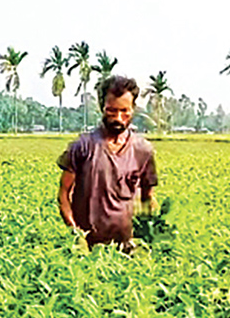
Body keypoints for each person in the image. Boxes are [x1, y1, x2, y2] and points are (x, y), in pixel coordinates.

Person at [57, 75, 157, 250]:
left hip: (128, 248)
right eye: (111, 111)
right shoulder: (82, 147)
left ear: (133, 109)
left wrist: (149, 233)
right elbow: (64, 194)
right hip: (88, 248)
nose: (118, 118)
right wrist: (75, 232)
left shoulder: (143, 150)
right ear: (102, 107)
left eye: (125, 111)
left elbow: (148, 198)